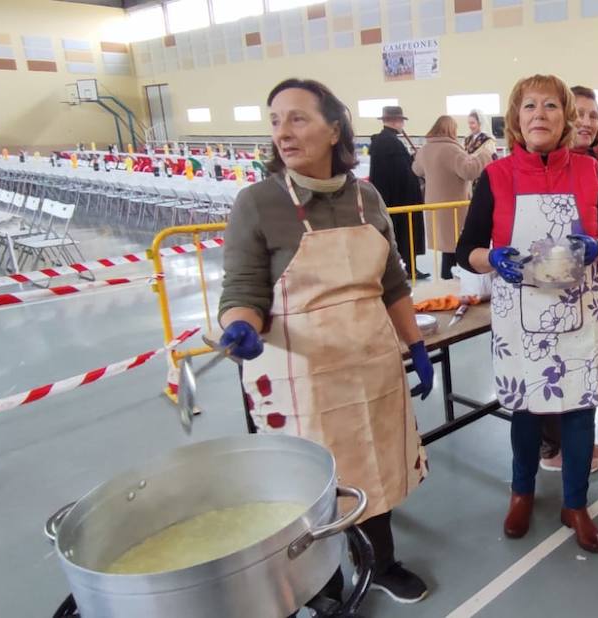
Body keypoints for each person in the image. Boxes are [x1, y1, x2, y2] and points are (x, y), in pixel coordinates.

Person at [218, 78, 434, 602]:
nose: (283, 133)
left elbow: (392, 282)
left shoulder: (367, 198)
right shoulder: (258, 202)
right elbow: (242, 288)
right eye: (275, 121)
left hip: (371, 361)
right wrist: (241, 324)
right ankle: (321, 583)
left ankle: (381, 563)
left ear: (333, 127)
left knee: (375, 461)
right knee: (310, 481)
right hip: (300, 373)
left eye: (297, 118)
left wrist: (417, 344)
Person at [455, 74, 598, 554]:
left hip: (582, 314)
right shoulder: (496, 176)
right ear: (516, 118)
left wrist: (597, 246)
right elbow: (465, 249)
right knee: (525, 414)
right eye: (529, 106)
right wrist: (492, 259)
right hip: (519, 315)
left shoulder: (590, 173)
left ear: (566, 118)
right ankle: (522, 493)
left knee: (578, 412)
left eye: (551, 106)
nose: (539, 114)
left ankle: (575, 503)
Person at [538, 85, 598, 472]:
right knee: (554, 368)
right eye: (580, 113)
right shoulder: (550, 167)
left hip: (590, 287)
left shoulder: (592, 166)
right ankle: (553, 448)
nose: (587, 122)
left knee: (584, 366)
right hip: (549, 290)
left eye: (593, 115)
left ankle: (576, 441)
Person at [412, 115, 493, 280]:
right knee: (456, 245)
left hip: (434, 206)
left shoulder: (425, 149)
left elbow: (416, 170)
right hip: (453, 206)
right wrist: (484, 156)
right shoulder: (451, 149)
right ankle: (454, 281)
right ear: (451, 130)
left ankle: (446, 279)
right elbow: (469, 172)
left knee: (446, 247)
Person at [370, 105, 428, 279]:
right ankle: (409, 268)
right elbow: (402, 173)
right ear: (396, 121)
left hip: (389, 197)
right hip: (401, 198)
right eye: (401, 121)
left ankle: (407, 267)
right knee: (405, 233)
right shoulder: (391, 143)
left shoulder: (382, 141)